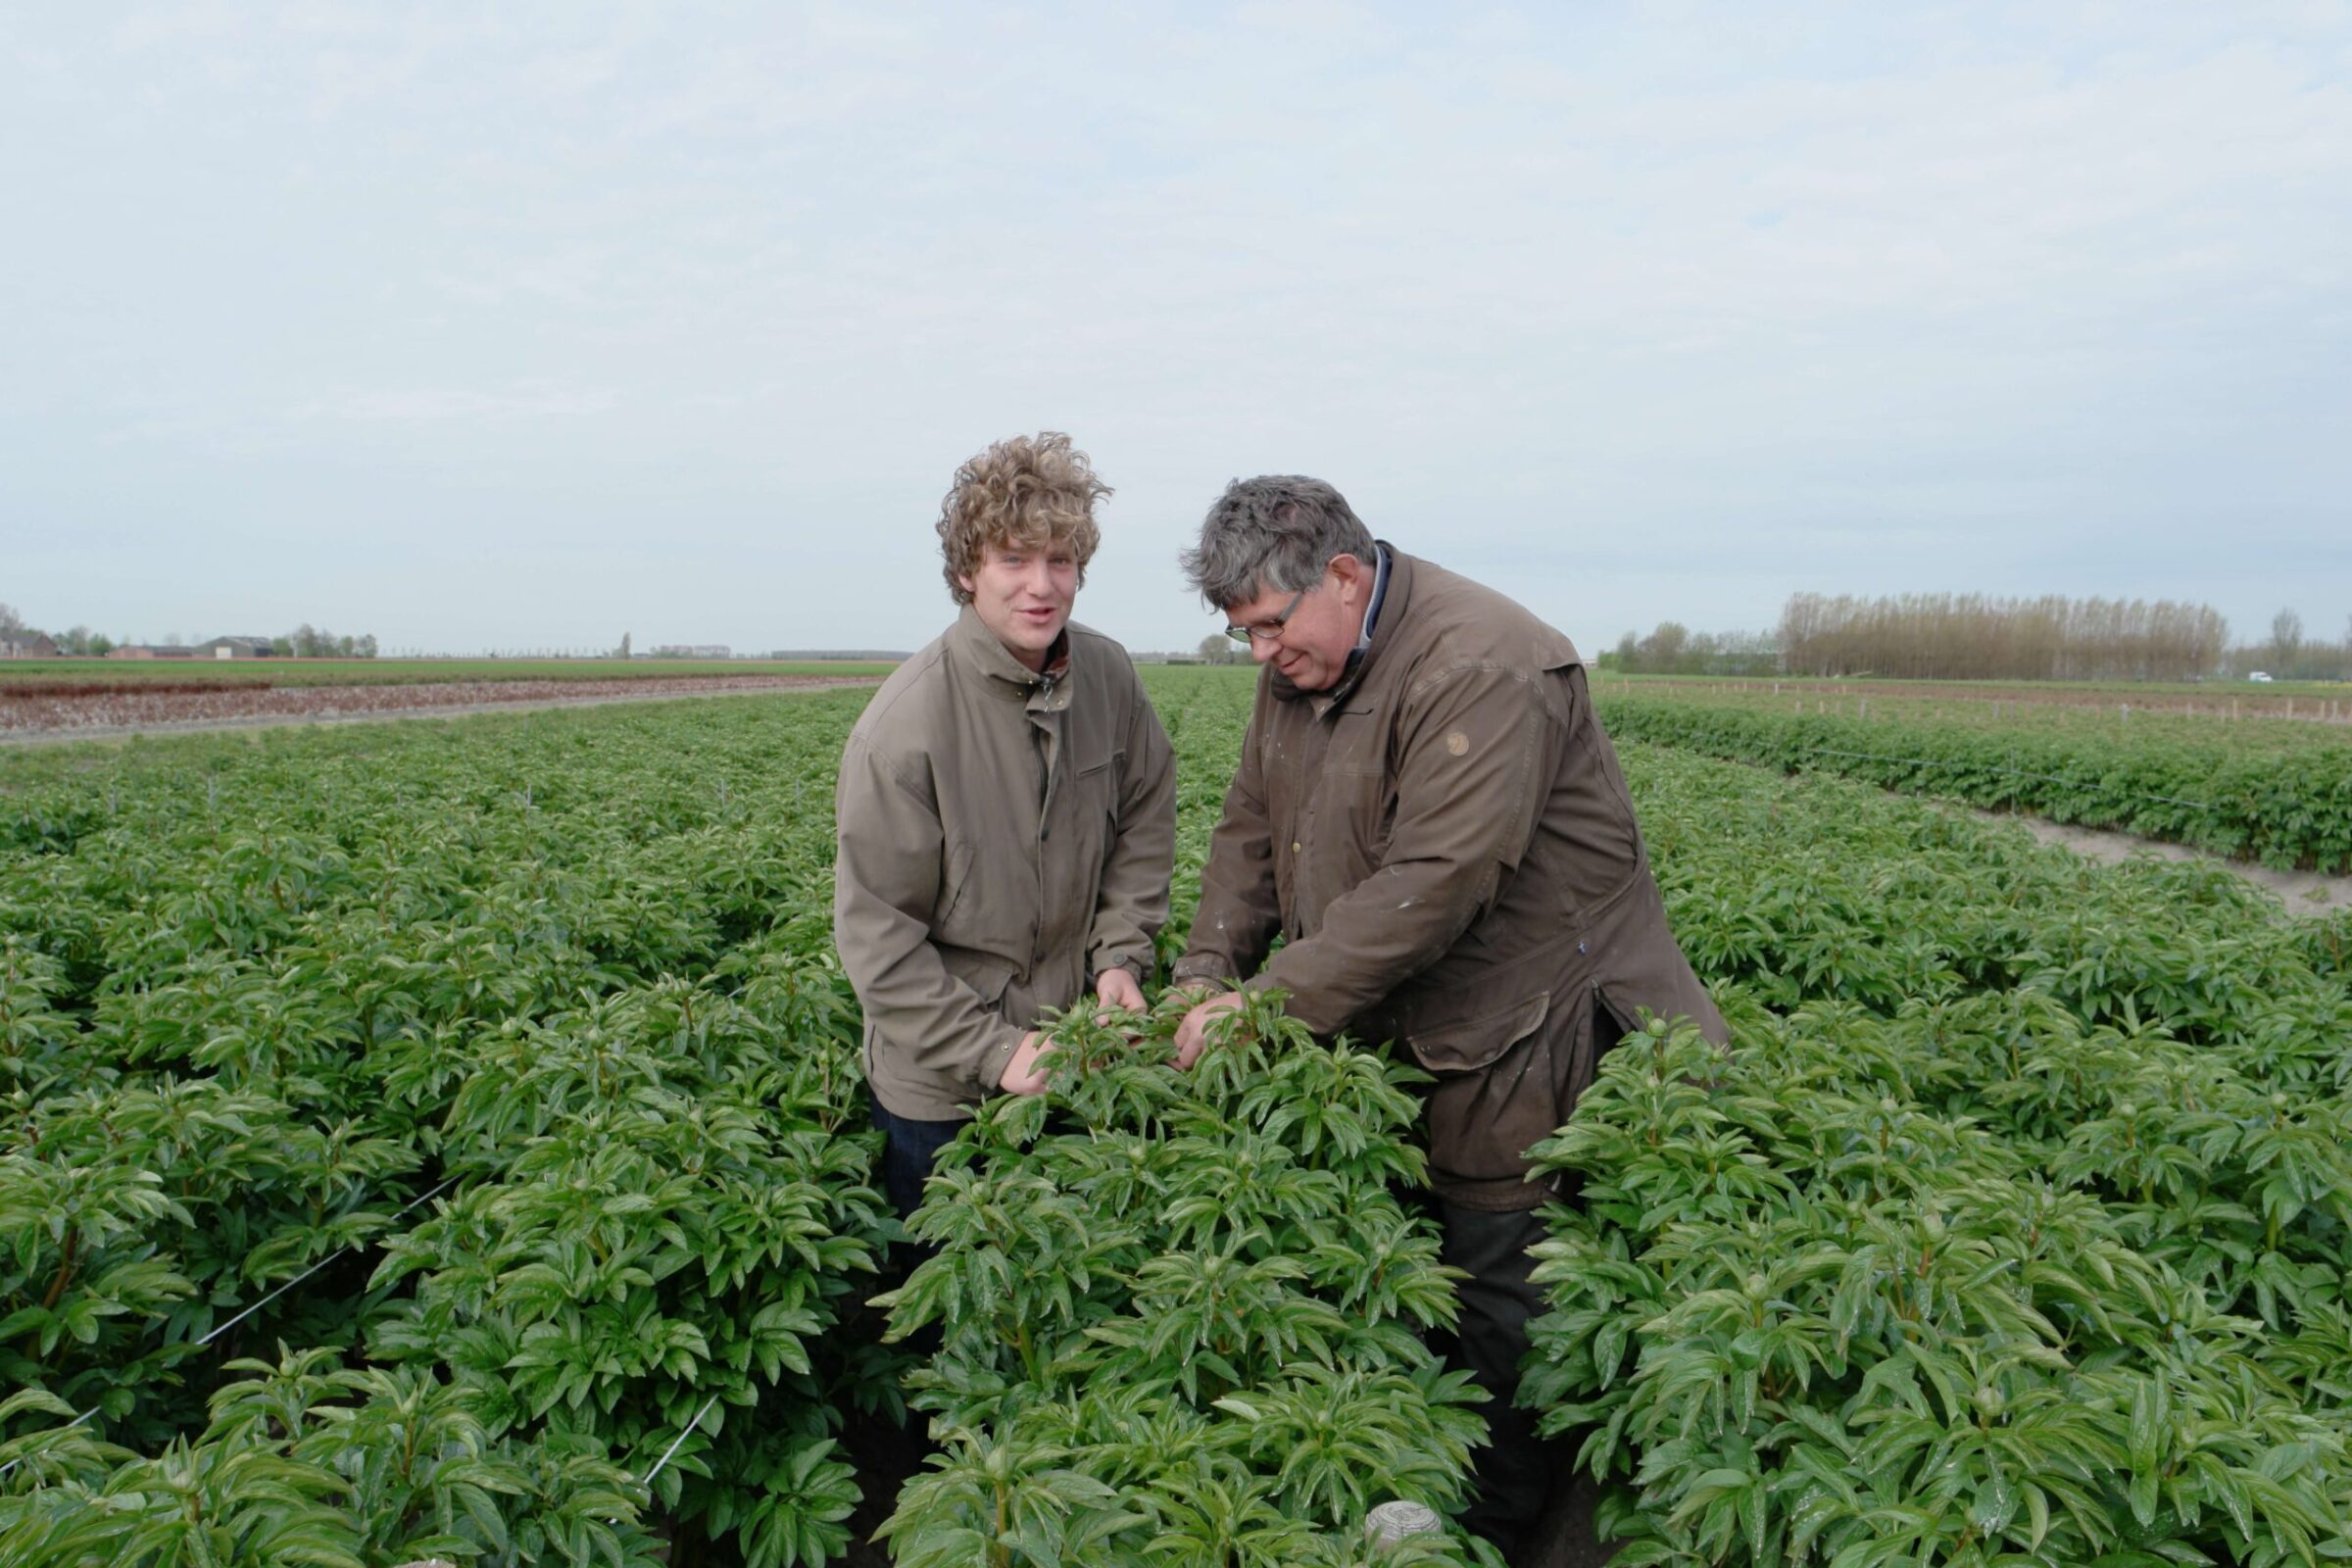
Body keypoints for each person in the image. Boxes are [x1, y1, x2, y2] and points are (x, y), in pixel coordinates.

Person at [1166, 475, 1726, 1556]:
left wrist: (1266, 1004)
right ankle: (1418, 1478)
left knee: (1500, 1276)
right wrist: (1204, 972)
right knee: (1417, 1263)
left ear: (1343, 574)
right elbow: (1249, 833)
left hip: (1530, 1020)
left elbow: (1441, 875)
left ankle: (1499, 1526)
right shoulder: (1303, 664)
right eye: (1243, 635)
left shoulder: (1482, 660)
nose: (1260, 654)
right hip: (1405, 1014)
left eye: (1270, 627)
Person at [835, 432, 1176, 1221]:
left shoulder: (1109, 677)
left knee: (1068, 1295)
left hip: (1073, 1049)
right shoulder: (904, 730)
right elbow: (878, 942)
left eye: (1060, 560)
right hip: (941, 1088)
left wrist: (1121, 956)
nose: (1041, 585)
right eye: (1014, 560)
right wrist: (997, 1053)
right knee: (950, 1300)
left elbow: (1147, 820)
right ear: (966, 571)